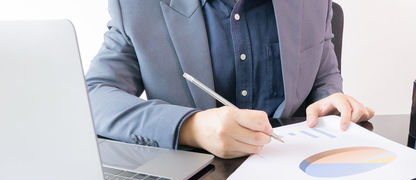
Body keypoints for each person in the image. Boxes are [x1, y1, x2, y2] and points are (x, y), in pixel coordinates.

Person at [86, 0, 374, 159]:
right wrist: (191, 126)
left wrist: (330, 99)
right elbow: (95, 95)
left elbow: (322, 76)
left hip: (296, 177)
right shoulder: (138, 7)